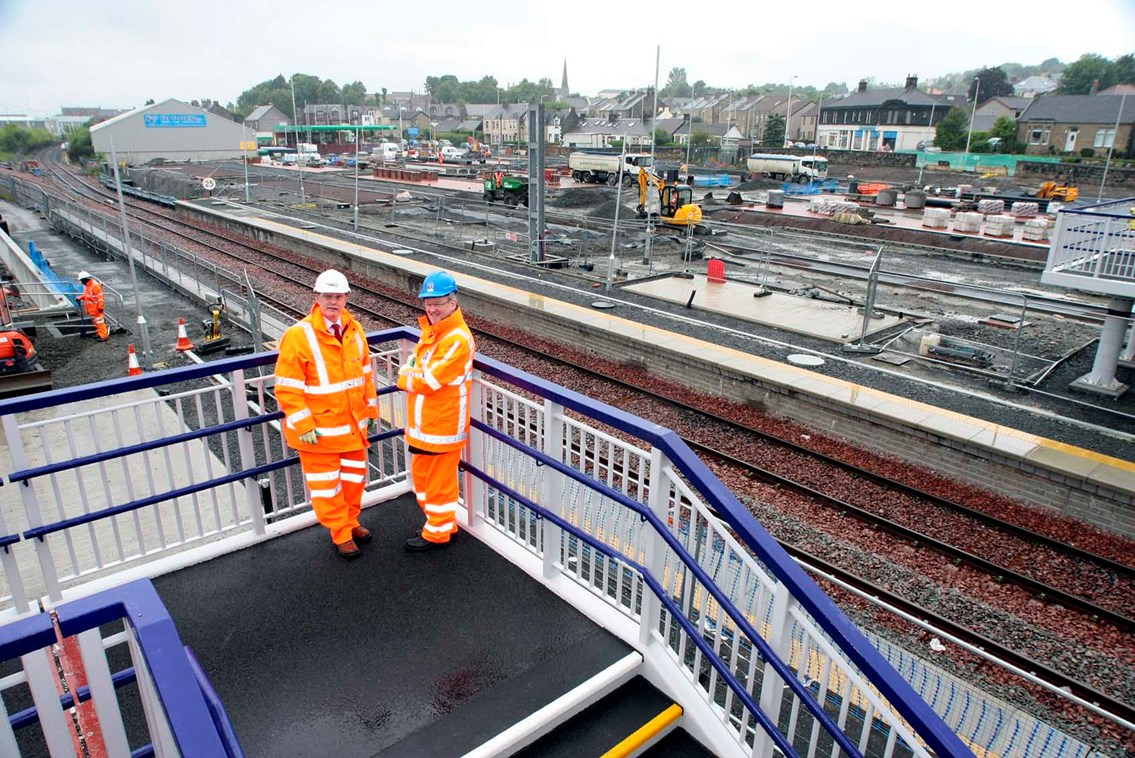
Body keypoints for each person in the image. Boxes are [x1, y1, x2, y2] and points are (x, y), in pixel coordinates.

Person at [274, 269, 379, 560]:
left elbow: (366, 375)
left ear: (346, 298)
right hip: (319, 432)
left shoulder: (354, 330)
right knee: (327, 486)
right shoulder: (299, 335)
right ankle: (341, 533)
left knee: (354, 480)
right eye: (327, 296)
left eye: (338, 296)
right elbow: (287, 387)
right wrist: (303, 423)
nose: (333, 301)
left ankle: (351, 522)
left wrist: (370, 409)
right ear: (316, 297)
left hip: (352, 428)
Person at [398, 270, 475, 552]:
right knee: (424, 482)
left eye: (438, 302)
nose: (432, 308)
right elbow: (418, 369)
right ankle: (443, 524)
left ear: (453, 302)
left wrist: (404, 376)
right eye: (428, 302)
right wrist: (412, 373)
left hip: (441, 427)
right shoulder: (433, 332)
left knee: (439, 486)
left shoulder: (456, 339)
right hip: (424, 427)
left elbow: (426, 380)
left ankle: (438, 534)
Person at [76, 271, 109, 341]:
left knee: (100, 322)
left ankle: (104, 336)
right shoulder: (89, 285)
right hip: (92, 309)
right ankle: (100, 334)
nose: (81, 282)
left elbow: (100, 297)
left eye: (81, 280)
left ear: (84, 279)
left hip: (96, 308)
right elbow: (88, 296)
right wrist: (80, 298)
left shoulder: (95, 285)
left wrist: (100, 307)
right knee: (96, 322)